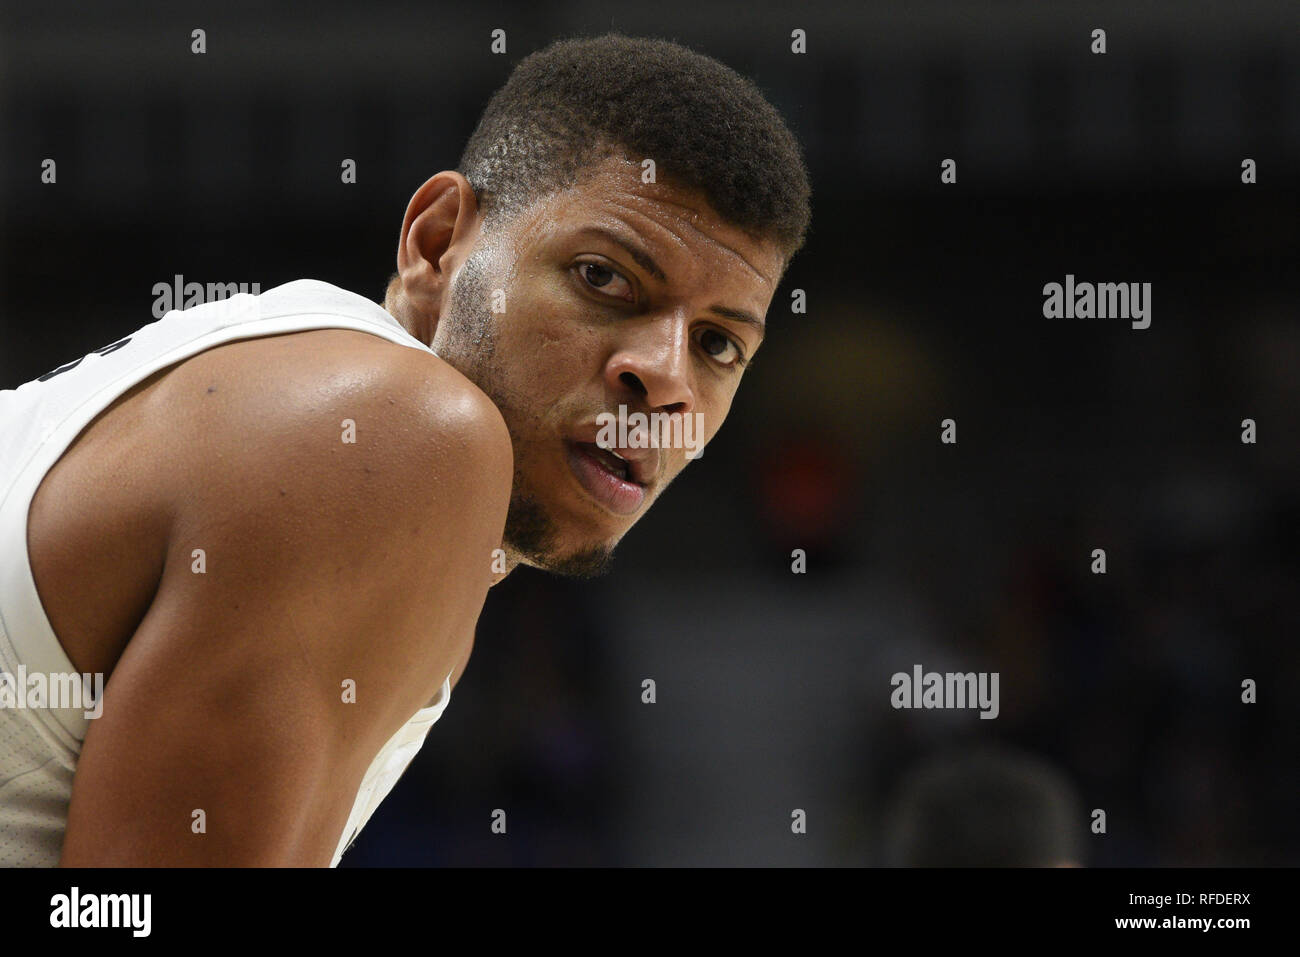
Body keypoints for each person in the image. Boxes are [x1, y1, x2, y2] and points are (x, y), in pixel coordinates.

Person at [0, 33, 810, 866]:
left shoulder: (296, 389)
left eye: (716, 345)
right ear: (436, 241)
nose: (664, 378)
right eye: (604, 278)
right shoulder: (398, 435)